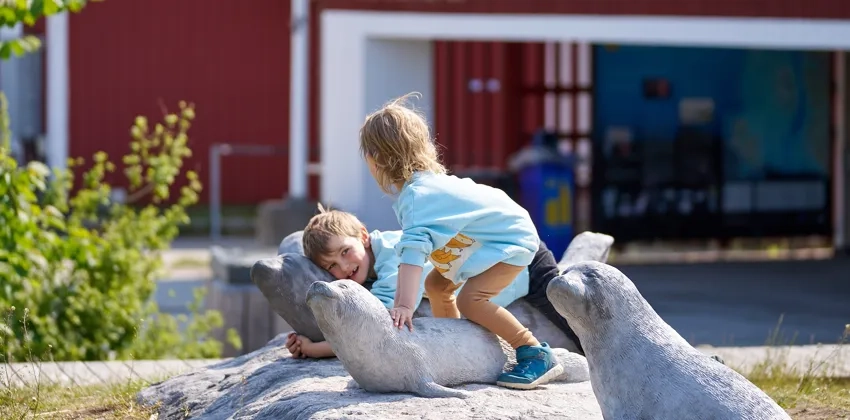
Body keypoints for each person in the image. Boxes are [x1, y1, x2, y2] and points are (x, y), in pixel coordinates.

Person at [358, 92, 560, 389]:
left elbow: (413, 254)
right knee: (437, 285)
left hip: (508, 241)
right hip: (490, 239)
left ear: (375, 160)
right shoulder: (424, 189)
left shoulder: (418, 196)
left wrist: (402, 305)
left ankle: (534, 352)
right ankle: (456, 342)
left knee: (471, 300)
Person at [285, 206, 584, 363]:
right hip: (506, 257)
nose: (344, 267)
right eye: (331, 267)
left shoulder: (395, 262)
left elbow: (371, 329)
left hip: (521, 263)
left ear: (363, 236)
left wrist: (316, 349)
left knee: (574, 318)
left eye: (345, 252)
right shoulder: (376, 259)